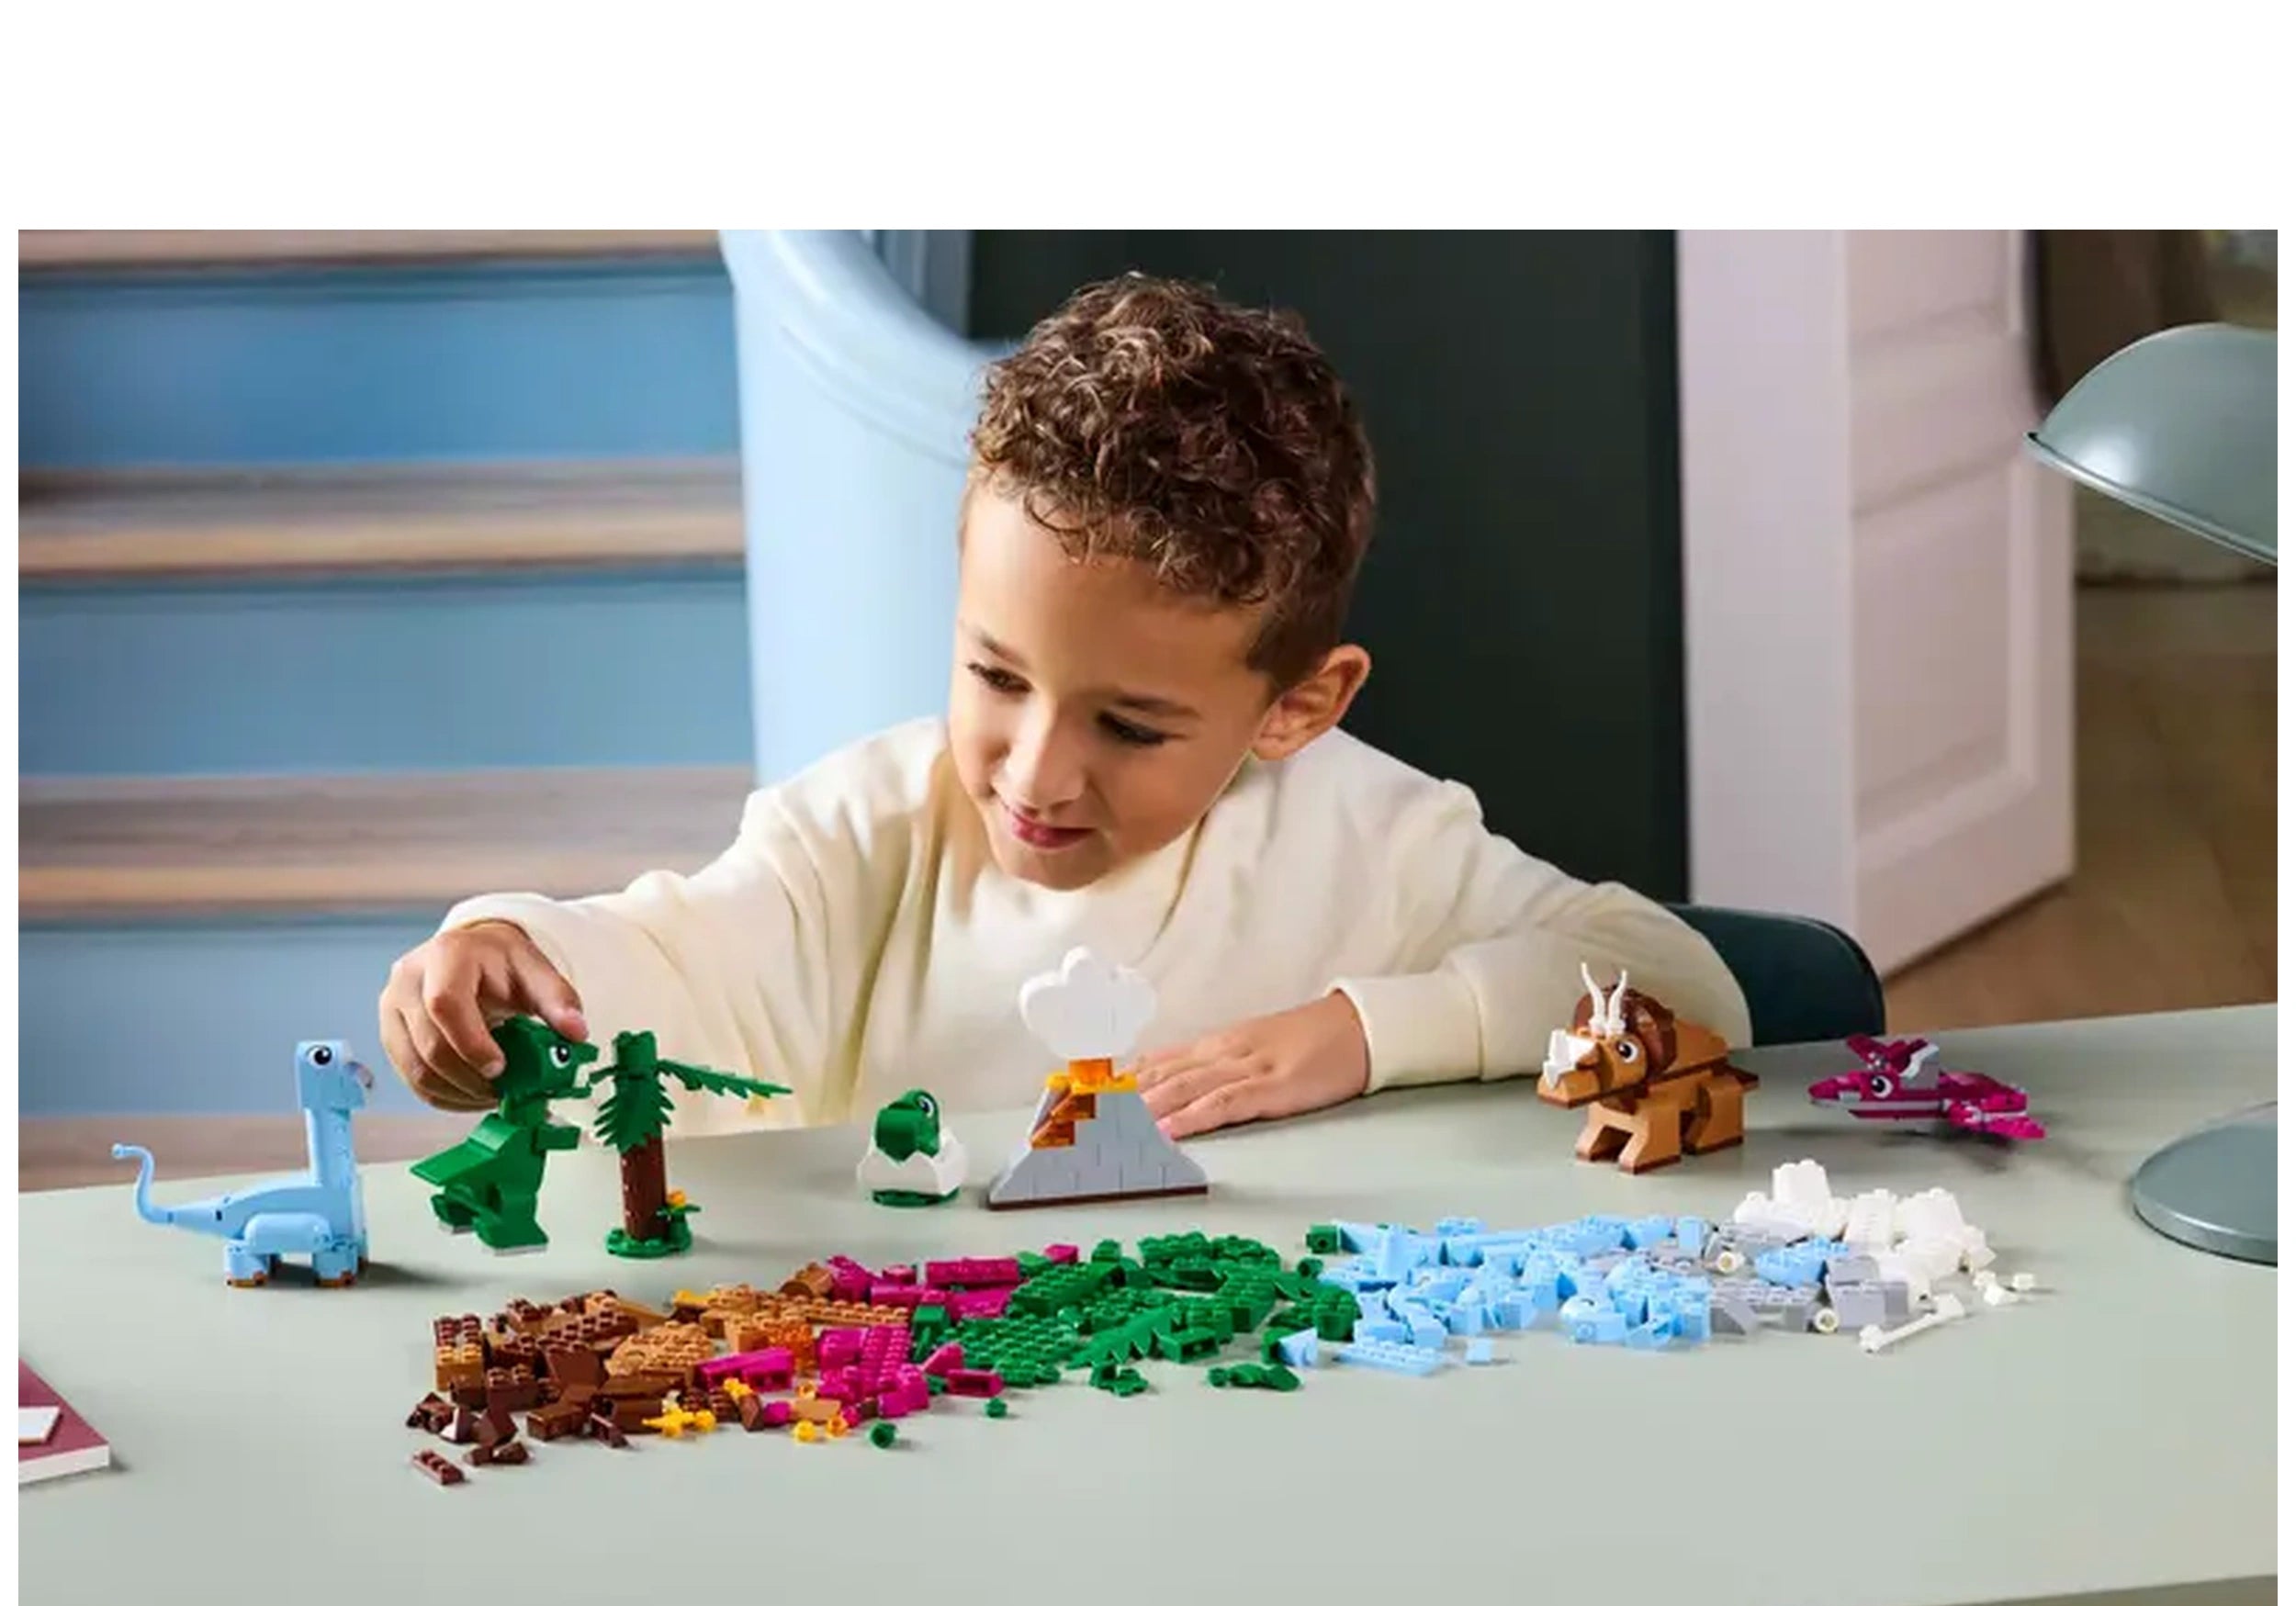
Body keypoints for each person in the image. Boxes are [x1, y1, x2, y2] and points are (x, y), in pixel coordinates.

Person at [380, 273, 1747, 1141]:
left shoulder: (1370, 837)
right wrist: (505, 953)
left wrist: (1360, 1036)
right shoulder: (866, 831)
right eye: (996, 676)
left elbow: (1680, 979)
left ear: (1296, 707)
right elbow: (682, 959)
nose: (1037, 772)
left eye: (1132, 726)